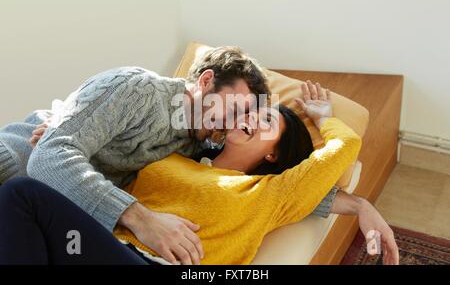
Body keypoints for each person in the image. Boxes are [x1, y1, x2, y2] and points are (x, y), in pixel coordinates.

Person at [0, 82, 399, 265]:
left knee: (20, 195)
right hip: (105, 246)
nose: (250, 119)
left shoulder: (271, 189)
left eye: (264, 121)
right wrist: (64, 127)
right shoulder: (177, 155)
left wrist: (361, 203)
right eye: (248, 113)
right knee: (21, 195)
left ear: (275, 153)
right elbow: (115, 160)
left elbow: (341, 155)